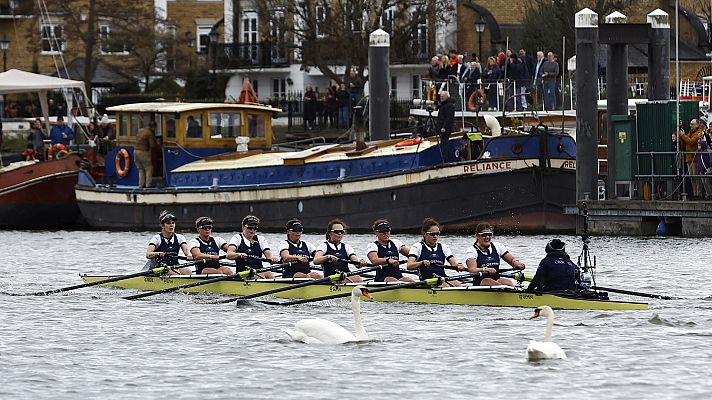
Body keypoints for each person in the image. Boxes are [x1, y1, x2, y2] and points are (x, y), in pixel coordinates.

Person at [407, 218, 465, 286]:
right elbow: (409, 265)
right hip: (428, 280)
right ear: (425, 234)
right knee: (445, 286)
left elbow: (454, 263)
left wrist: (459, 265)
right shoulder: (417, 247)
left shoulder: (443, 247)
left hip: (442, 278)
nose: (435, 236)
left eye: (437, 234)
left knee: (458, 285)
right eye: (432, 234)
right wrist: (421, 263)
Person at [144, 210, 193, 275]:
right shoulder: (156, 238)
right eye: (168, 223)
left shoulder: (180, 237)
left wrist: (189, 255)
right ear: (162, 225)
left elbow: (186, 250)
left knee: (188, 271)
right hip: (159, 268)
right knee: (174, 273)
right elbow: (148, 254)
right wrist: (157, 253)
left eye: (173, 223)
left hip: (174, 266)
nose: (171, 225)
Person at [679, 118, 705, 198]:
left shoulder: (698, 133)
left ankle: (698, 193)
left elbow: (691, 141)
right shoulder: (690, 133)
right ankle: (695, 193)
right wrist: (682, 136)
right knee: (691, 177)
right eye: (690, 124)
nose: (691, 126)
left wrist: (683, 136)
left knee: (696, 177)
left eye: (693, 124)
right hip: (688, 157)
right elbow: (685, 142)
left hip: (695, 158)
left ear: (697, 125)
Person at [134, 120, 159, 188]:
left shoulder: (140, 130)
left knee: (140, 169)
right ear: (153, 127)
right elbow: (152, 145)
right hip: (142, 152)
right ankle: (148, 184)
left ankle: (141, 185)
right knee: (149, 168)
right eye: (155, 128)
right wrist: (158, 145)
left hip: (135, 151)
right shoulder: (149, 133)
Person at [435, 90, 455, 163]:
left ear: (447, 96)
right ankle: (444, 159)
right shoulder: (443, 105)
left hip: (445, 129)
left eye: (443, 96)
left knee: (445, 145)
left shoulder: (449, 106)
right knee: (443, 144)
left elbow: (449, 118)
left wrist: (444, 127)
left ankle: (445, 160)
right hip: (441, 128)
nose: (441, 98)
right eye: (440, 96)